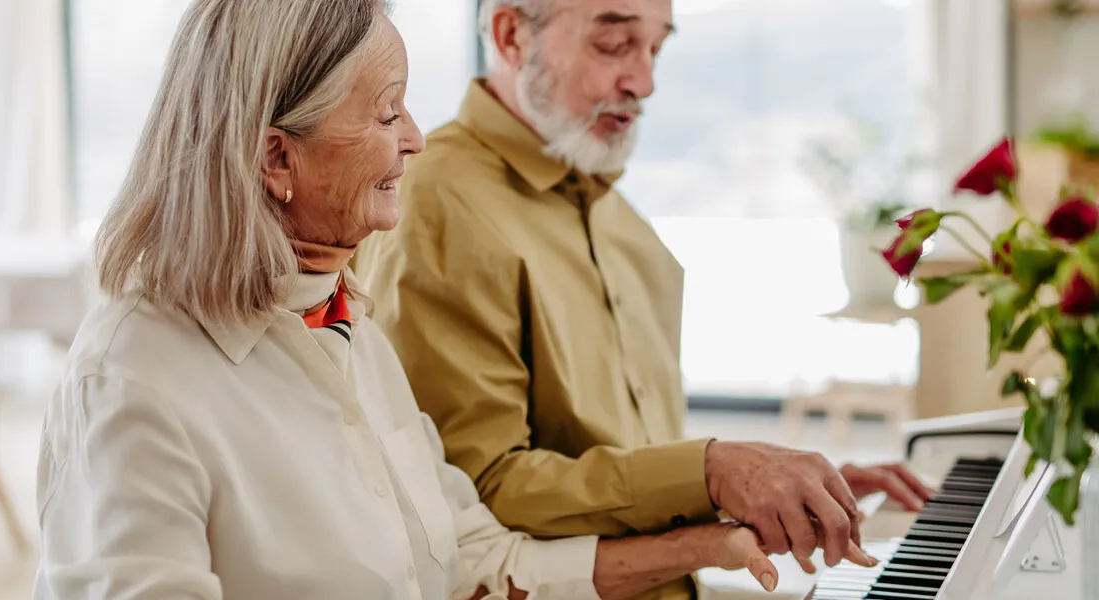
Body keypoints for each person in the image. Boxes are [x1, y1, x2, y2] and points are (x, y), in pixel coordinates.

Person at [30, 1, 838, 599]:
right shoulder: (134, 382)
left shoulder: (348, 331)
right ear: (277, 158)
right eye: (387, 112)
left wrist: (706, 546)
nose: (417, 137)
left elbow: (480, 564)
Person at [352, 0, 936, 598]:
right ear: (510, 35)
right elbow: (473, 493)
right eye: (614, 45)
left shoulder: (621, 222)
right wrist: (713, 472)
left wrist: (780, 488)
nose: (645, 82)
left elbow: (631, 475)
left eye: (656, 48)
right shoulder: (436, 204)